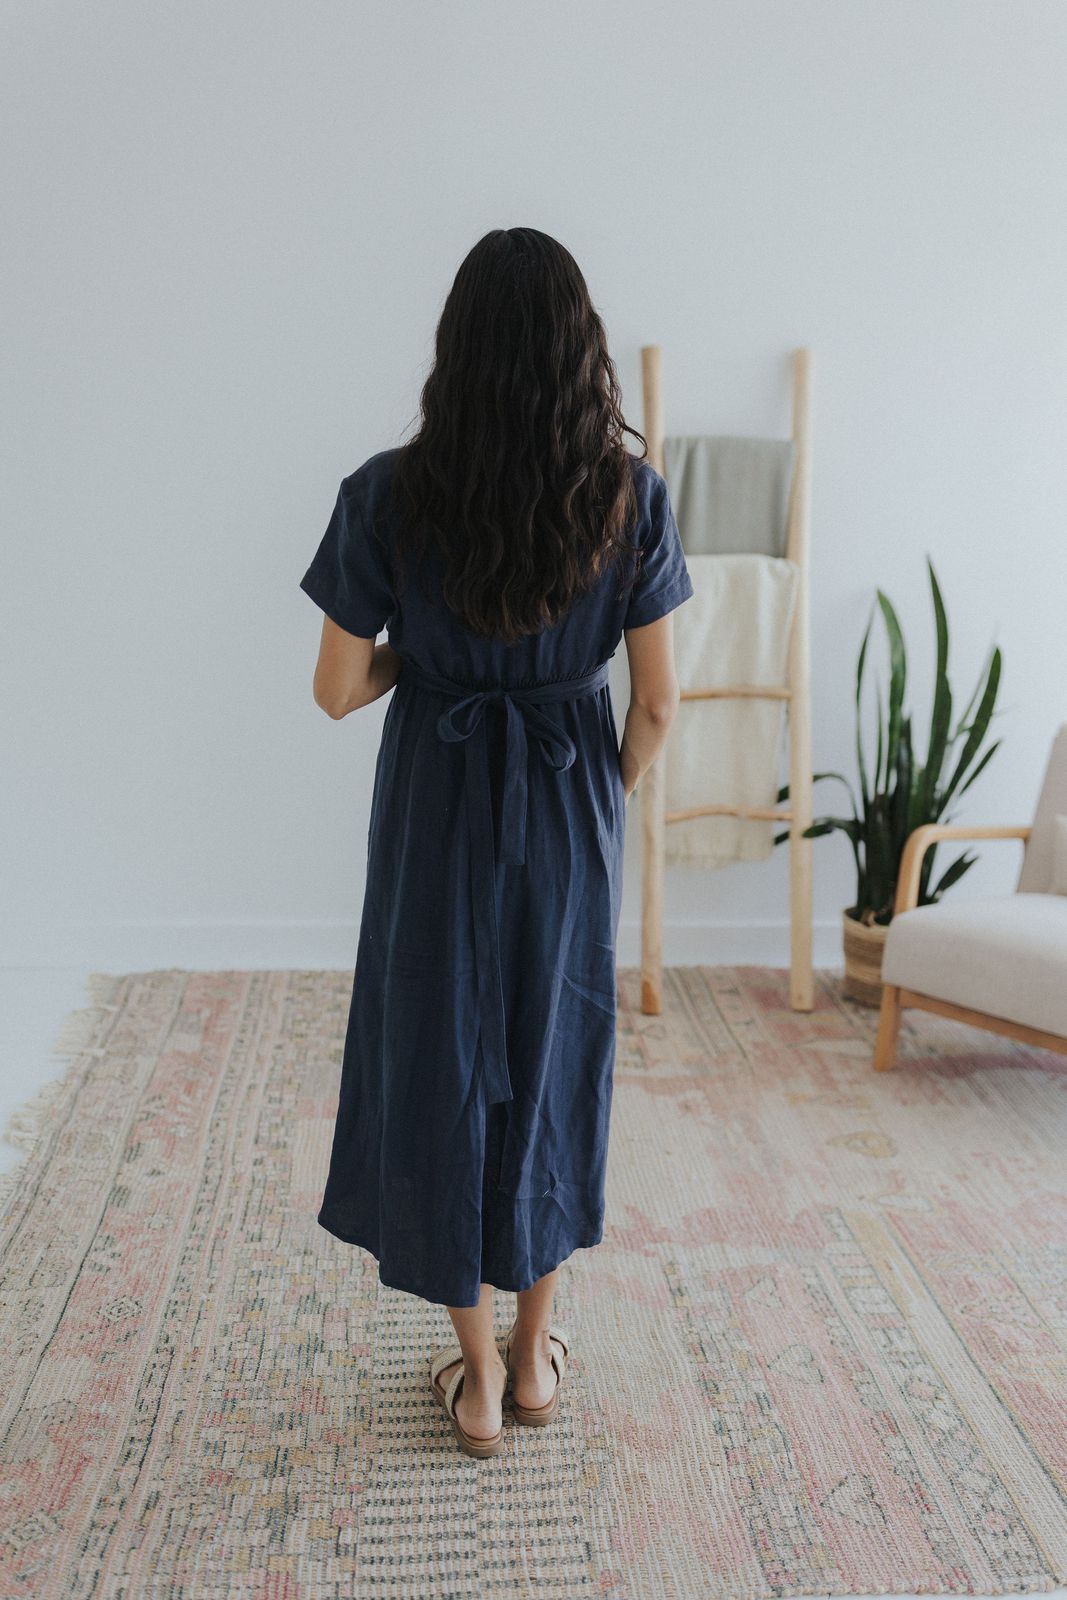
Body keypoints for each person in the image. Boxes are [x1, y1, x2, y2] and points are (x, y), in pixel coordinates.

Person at [299, 227, 693, 1457]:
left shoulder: (388, 490)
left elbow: (333, 687)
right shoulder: (630, 498)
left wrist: (432, 657)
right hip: (570, 792)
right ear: (581, 355)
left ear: (455, 351)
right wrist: (602, 796)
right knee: (553, 1049)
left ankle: (471, 1378)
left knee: (438, 1054)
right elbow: (662, 702)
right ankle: (534, 1362)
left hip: (438, 796)